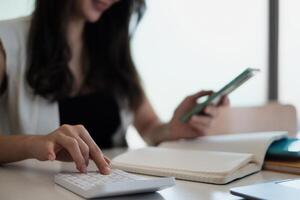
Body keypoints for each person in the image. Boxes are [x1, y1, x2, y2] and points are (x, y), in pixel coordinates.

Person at [0, 0, 229, 175]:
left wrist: (171, 129)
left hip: (115, 187)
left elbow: (149, 126)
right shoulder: (7, 41)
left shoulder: (111, 46)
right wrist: (33, 144)